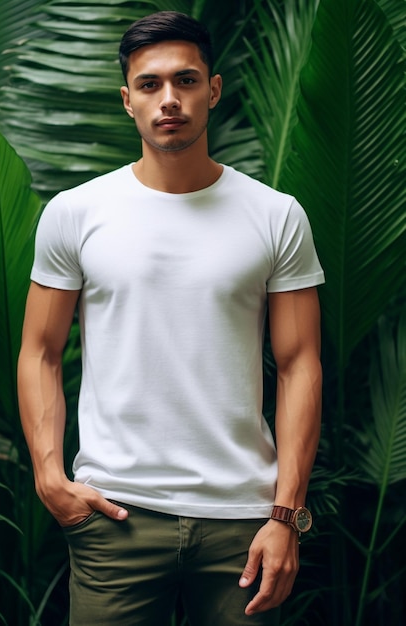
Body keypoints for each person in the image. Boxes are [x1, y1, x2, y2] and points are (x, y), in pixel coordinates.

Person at [17, 10, 324, 626]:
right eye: (151, 84)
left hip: (243, 523)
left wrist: (285, 515)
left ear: (211, 90)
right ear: (127, 99)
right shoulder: (76, 213)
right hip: (115, 517)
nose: (169, 100)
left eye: (185, 80)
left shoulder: (276, 215)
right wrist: (50, 477)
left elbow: (299, 363)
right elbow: (40, 351)